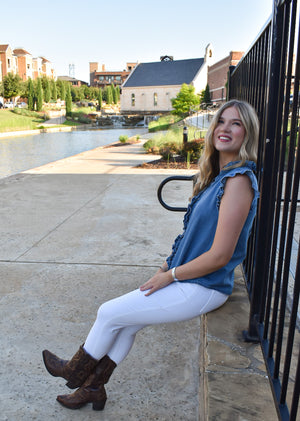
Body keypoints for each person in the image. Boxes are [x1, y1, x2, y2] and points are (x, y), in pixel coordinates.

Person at [42, 99, 260, 411]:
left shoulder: (238, 182)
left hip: (204, 286)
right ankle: (93, 388)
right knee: (126, 323)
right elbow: (192, 239)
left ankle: (73, 371)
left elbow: (220, 256)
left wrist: (170, 276)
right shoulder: (218, 176)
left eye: (236, 123)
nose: (226, 128)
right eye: (221, 121)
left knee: (108, 313)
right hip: (189, 277)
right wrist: (165, 267)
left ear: (247, 133)